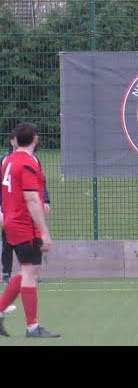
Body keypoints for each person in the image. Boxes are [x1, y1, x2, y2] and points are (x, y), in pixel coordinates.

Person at [0, 123, 60, 338]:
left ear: (16, 140)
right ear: (35, 139)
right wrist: (44, 231)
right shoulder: (27, 162)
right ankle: (32, 327)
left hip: (12, 222)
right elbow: (32, 198)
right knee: (29, 273)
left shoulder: (8, 160)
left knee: (28, 270)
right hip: (24, 224)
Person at [1, 131, 51, 283]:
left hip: (22, 215)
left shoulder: (32, 160)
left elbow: (39, 183)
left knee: (29, 269)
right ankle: (6, 273)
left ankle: (30, 275)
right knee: (9, 246)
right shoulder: (8, 160)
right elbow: (28, 195)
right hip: (17, 215)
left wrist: (46, 200)